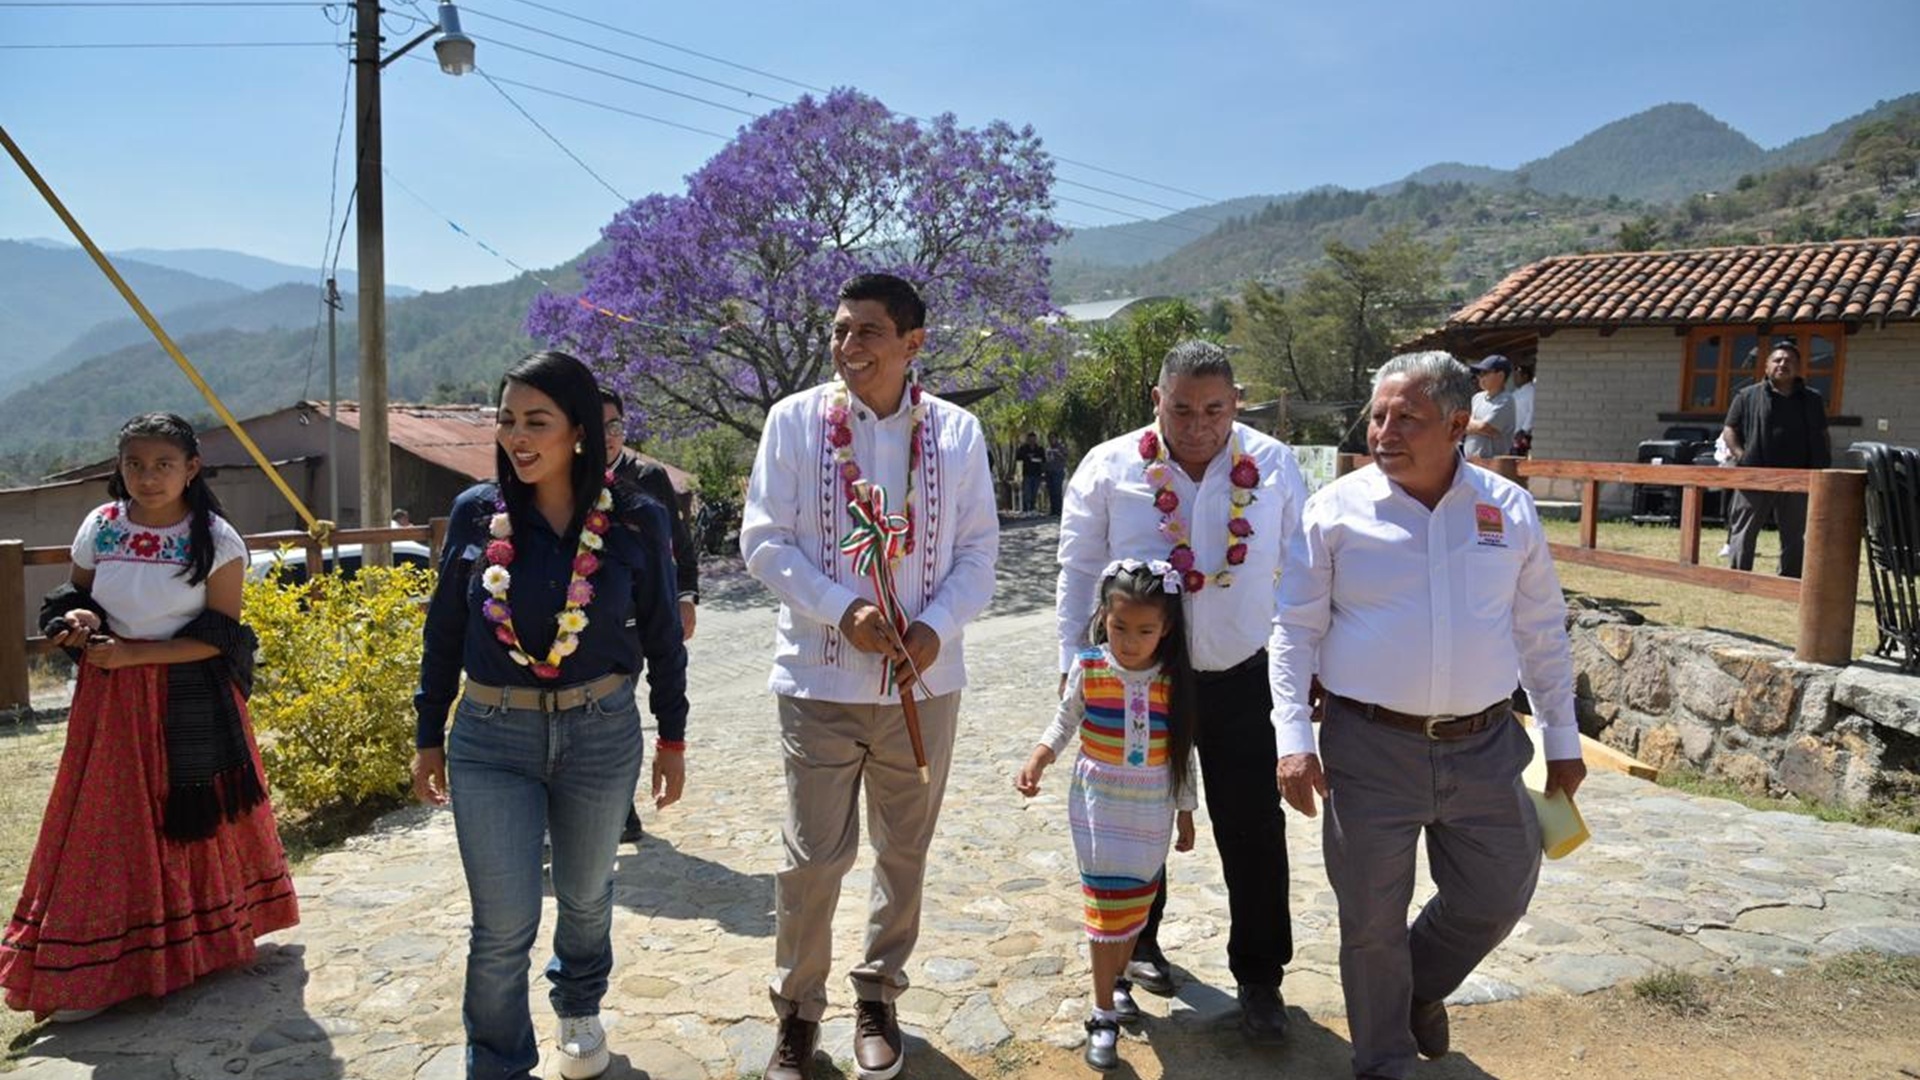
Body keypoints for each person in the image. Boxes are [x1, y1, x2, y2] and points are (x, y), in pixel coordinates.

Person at [1271, 351, 1586, 1080]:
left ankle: (1415, 990)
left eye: (1405, 417)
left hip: (1485, 747)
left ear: (1456, 423)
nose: (1384, 431)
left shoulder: (1508, 512)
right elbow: (1293, 631)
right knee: (1371, 922)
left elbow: (1541, 631)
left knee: (1499, 891)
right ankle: (1382, 1061)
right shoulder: (1336, 509)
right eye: (1378, 416)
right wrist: (1293, 738)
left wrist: (1562, 739)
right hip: (1368, 748)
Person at [741, 272, 998, 1080]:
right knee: (814, 856)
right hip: (818, 683)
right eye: (841, 330)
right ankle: (798, 1012)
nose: (848, 347)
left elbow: (979, 554)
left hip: (923, 686)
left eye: (868, 333)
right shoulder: (794, 422)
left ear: (913, 343)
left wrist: (933, 628)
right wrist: (839, 609)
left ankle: (879, 993)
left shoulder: (956, 434)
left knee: (903, 851)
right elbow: (764, 540)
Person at [411, 351, 689, 1080]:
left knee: (587, 891)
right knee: (502, 923)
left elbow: (661, 632)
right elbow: (444, 630)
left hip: (600, 733)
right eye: (507, 420)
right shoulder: (478, 513)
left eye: (537, 421)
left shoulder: (635, 518)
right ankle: (498, 1064)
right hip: (490, 739)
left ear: (578, 432)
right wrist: (426, 734)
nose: (516, 436)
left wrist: (673, 736)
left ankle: (578, 1003)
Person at [1, 413, 298, 1021]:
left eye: (164, 464)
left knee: (184, 823)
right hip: (110, 703)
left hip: (188, 699)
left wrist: (136, 654)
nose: (148, 477)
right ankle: (92, 970)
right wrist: (81, 620)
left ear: (191, 468)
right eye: (135, 464)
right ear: (120, 468)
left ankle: (200, 945)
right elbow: (75, 595)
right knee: (104, 827)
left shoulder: (215, 540)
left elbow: (220, 634)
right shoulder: (102, 526)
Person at [1056, 339, 1307, 1044]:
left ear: (1237, 405)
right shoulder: (1110, 467)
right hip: (1143, 685)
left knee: (1253, 827)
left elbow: (1301, 570)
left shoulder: (1275, 465)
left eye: (1215, 410)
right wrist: (1076, 664)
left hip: (1241, 678)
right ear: (1157, 402)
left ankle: (1261, 979)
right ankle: (1135, 951)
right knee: (1136, 827)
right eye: (1182, 409)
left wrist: (1304, 675)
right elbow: (1078, 572)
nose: (1199, 426)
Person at [1016, 559, 1199, 1072]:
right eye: (1120, 627)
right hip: (1098, 804)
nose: (1130, 641)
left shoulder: (1171, 681)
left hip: (1151, 809)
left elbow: (1182, 751)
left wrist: (1186, 812)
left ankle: (1117, 983)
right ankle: (1102, 1015)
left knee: (1135, 909)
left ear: (1166, 629)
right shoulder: (1090, 667)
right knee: (1105, 908)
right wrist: (1038, 758)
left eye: (1145, 630)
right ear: (1104, 617)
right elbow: (1065, 719)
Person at [601, 388, 701, 846]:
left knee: (622, 705)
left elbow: (679, 542)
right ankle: (614, 809)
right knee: (604, 711)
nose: (607, 437)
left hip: (641, 615)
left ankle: (618, 807)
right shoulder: (560, 477)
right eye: (595, 427)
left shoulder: (647, 476)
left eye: (614, 426)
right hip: (586, 620)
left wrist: (684, 597)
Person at [1721, 341, 1831, 579]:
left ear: (1799, 368)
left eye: (1789, 361)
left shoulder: (1812, 399)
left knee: (1795, 532)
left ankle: (1790, 578)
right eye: (1777, 360)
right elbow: (1730, 428)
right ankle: (1739, 577)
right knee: (1744, 529)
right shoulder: (1746, 396)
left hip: (1798, 476)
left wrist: (1821, 465)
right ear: (1766, 366)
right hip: (1756, 473)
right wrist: (1741, 455)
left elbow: (1823, 434)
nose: (1783, 364)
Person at [1461, 354, 1516, 460]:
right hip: (1470, 461)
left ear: (1500, 375)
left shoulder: (1506, 399)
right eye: (1479, 374)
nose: (1480, 377)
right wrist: (1469, 425)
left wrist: (1469, 424)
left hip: (1493, 464)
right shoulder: (1477, 398)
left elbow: (1485, 427)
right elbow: (1463, 425)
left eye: (1484, 373)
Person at [1017, 430, 1048, 513]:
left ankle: (1032, 508)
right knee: (1027, 492)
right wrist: (1027, 457)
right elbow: (1018, 458)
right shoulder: (1023, 448)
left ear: (1035, 439)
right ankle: (1025, 509)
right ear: (1028, 439)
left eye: (1033, 439)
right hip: (1027, 473)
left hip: (1037, 473)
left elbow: (1043, 460)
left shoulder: (1040, 449)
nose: (1032, 441)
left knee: (1034, 492)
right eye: (1030, 439)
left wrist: (1037, 461)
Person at [1508, 364, 1535, 456]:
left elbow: (1532, 412)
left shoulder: (1532, 391)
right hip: (1512, 433)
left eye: (1517, 376)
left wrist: (1523, 430)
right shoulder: (1516, 392)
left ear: (1525, 376)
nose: (1515, 379)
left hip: (1522, 434)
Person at [1044, 434, 1069, 516]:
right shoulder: (1048, 449)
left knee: (1057, 491)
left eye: (1053, 438)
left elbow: (1065, 458)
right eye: (1050, 438)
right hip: (1049, 472)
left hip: (1058, 472)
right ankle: (1053, 510)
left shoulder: (1061, 447)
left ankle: (1059, 510)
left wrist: (1058, 453)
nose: (1051, 440)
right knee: (1051, 491)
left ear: (1056, 438)